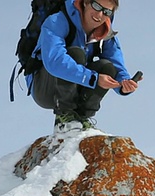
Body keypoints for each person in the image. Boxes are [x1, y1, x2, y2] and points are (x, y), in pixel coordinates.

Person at [26, 0, 139, 131]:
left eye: (106, 12)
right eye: (97, 6)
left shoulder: (105, 33)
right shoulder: (57, 21)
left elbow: (116, 63)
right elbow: (55, 61)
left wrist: (124, 84)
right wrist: (93, 78)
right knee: (75, 53)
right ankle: (65, 117)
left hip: (77, 84)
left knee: (107, 67)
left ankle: (82, 119)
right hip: (45, 88)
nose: (100, 15)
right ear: (85, 3)